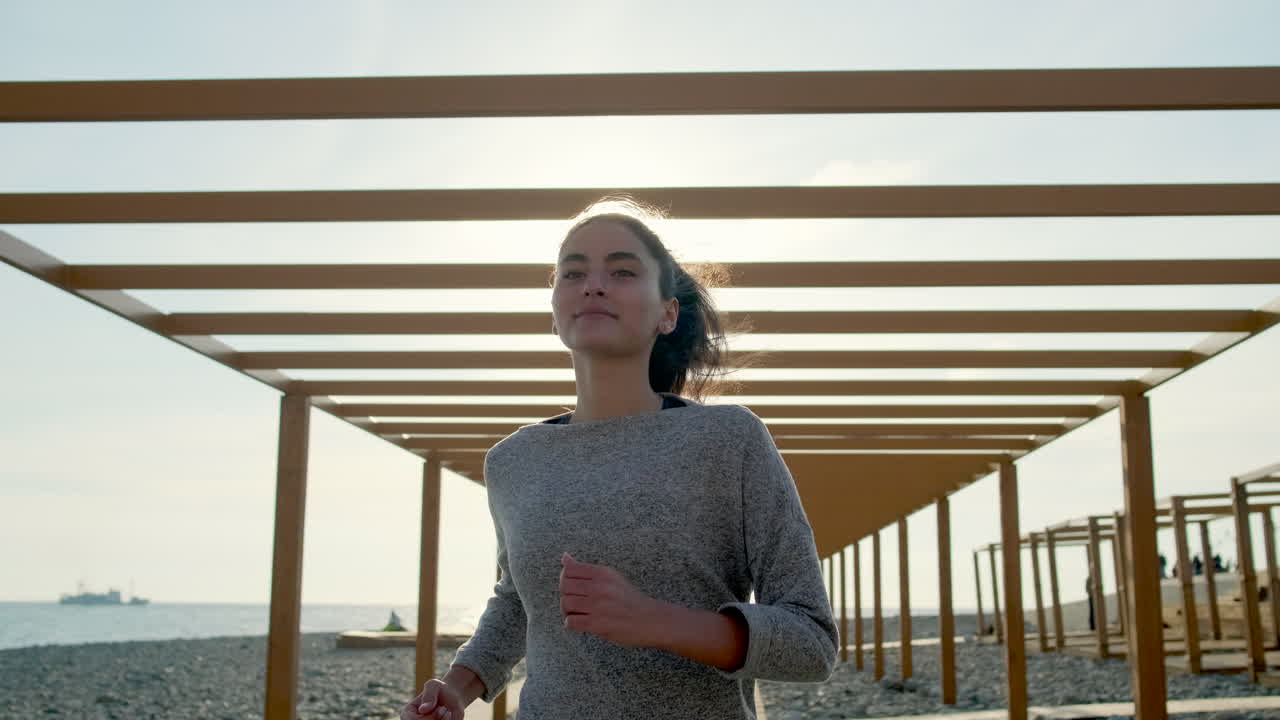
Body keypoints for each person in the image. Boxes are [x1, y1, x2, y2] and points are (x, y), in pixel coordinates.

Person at [400, 198, 839, 720]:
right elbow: (521, 602)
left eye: (623, 270)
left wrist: (654, 621)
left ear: (667, 313)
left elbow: (811, 641)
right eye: (573, 272)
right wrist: (458, 687)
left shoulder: (729, 439)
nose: (594, 284)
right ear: (556, 308)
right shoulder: (513, 460)